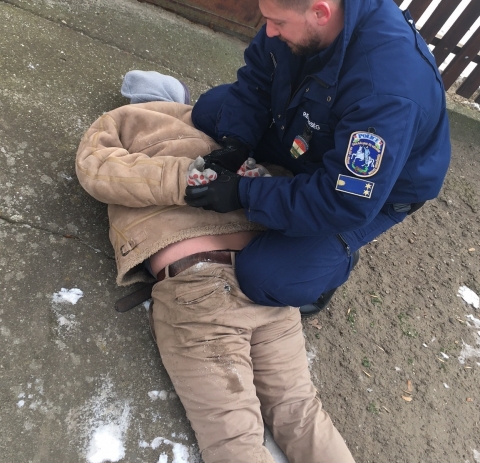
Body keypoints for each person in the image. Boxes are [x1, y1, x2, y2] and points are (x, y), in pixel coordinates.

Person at [76, 88, 356, 462]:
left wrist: (192, 180)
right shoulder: (235, 129)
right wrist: (217, 181)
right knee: (300, 411)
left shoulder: (128, 120)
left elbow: (95, 168)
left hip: (204, 283)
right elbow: (286, 181)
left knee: (235, 438)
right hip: (268, 276)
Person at [180, 0, 451, 314]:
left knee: (265, 277)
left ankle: (335, 259)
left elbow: (344, 200)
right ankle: (291, 180)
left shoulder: (386, 93)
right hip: (312, 130)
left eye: (278, 23)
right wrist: (236, 141)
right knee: (211, 110)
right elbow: (257, 80)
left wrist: (244, 193)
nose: (268, 30)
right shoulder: (295, 15)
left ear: (321, 12)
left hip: (373, 192)